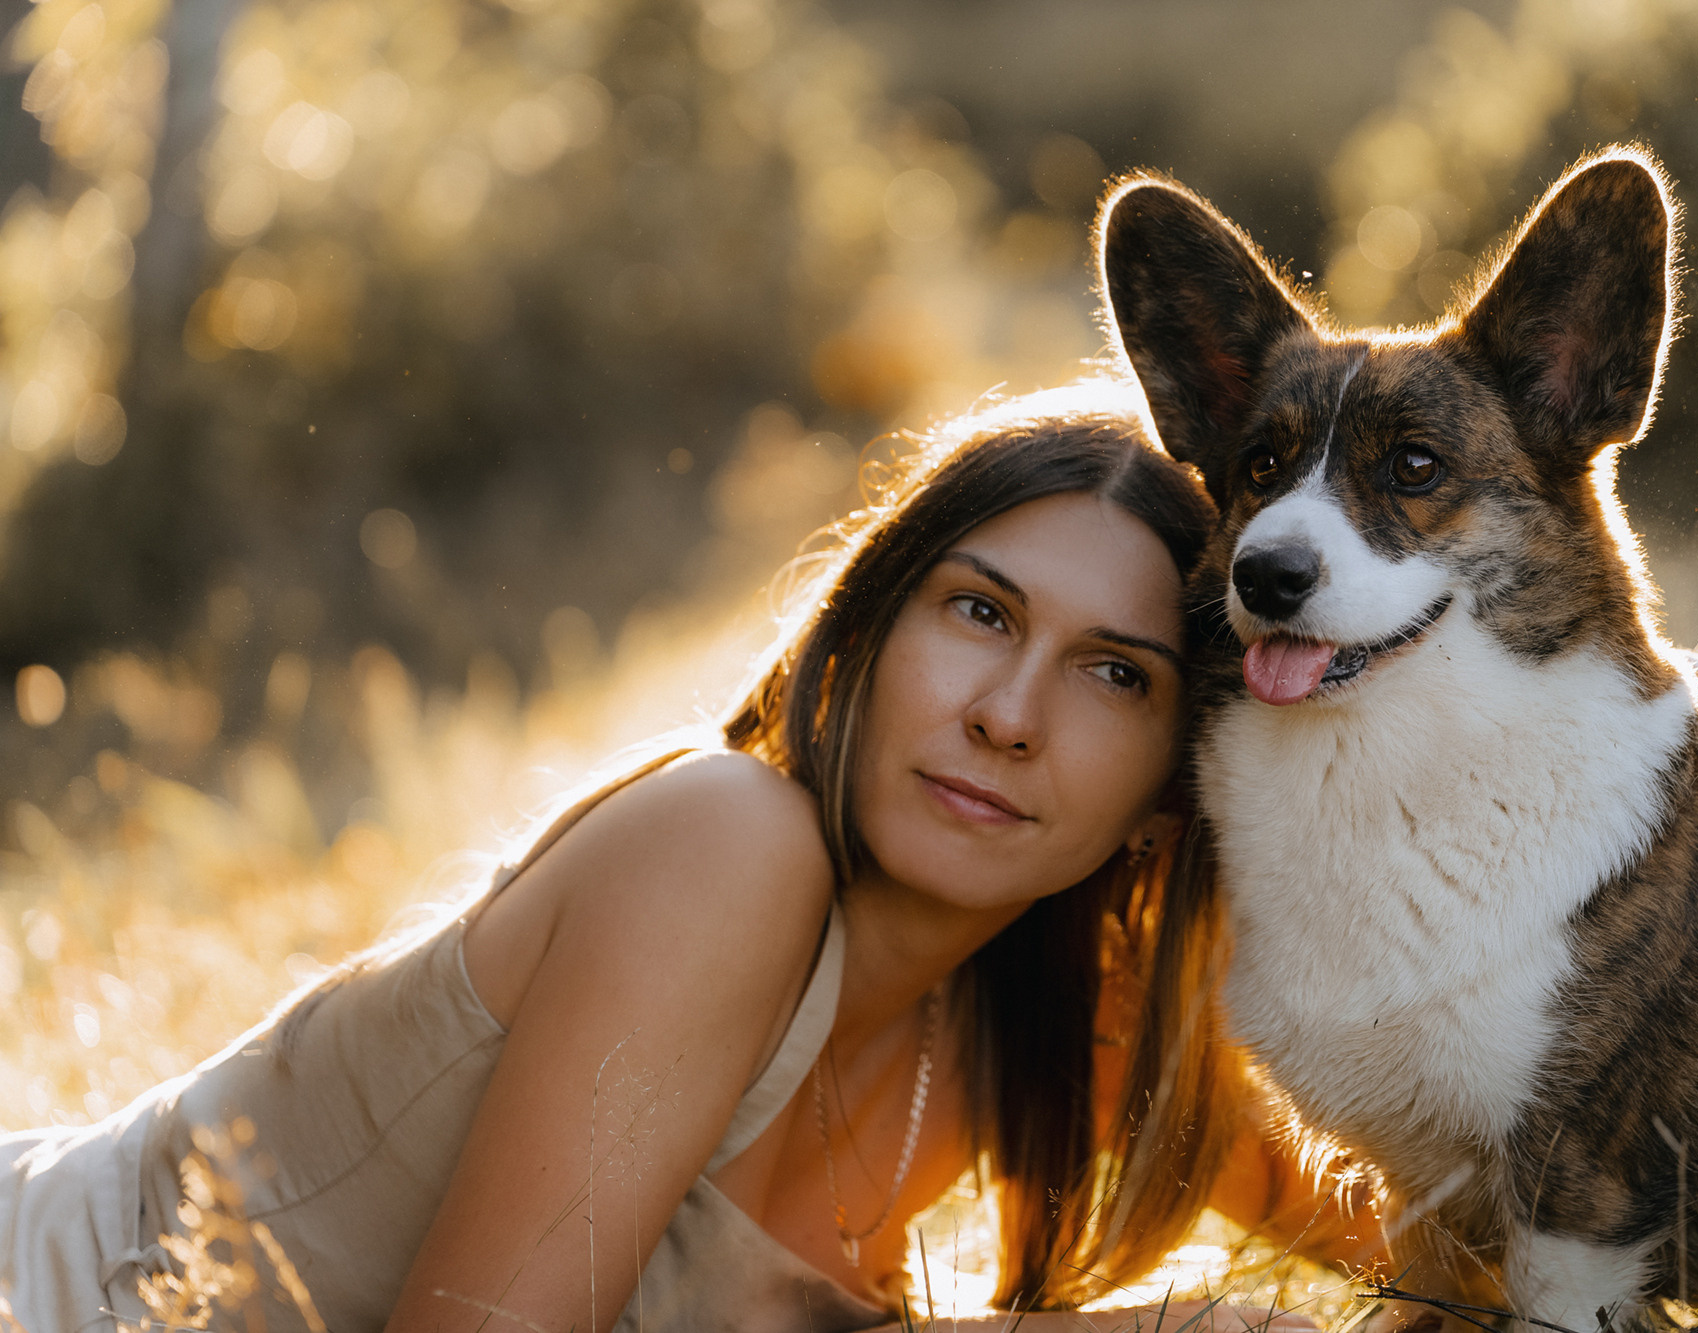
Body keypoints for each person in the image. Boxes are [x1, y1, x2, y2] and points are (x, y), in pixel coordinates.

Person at [1, 385, 1374, 1333]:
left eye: (1114, 676)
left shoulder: (1079, 1033)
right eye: (977, 610)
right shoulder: (728, 843)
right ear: (869, 630)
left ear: (1175, 792)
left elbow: (1492, 1237)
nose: (1007, 714)